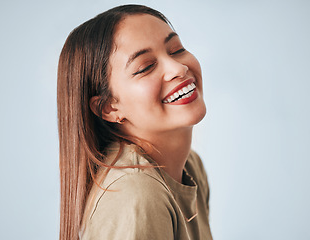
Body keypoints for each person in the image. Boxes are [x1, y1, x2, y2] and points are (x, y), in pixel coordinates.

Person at [57, 4, 212, 240]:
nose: (178, 68)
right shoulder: (136, 194)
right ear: (109, 107)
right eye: (146, 67)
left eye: (176, 49)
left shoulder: (191, 166)